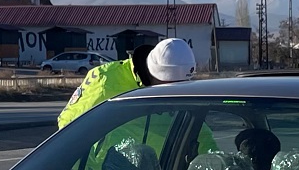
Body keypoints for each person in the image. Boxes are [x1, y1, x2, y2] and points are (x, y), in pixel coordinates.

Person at [56, 37, 197, 129]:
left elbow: (200, 135)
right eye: (169, 85)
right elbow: (69, 125)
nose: (172, 92)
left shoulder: (177, 95)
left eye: (181, 84)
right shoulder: (105, 80)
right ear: (154, 72)